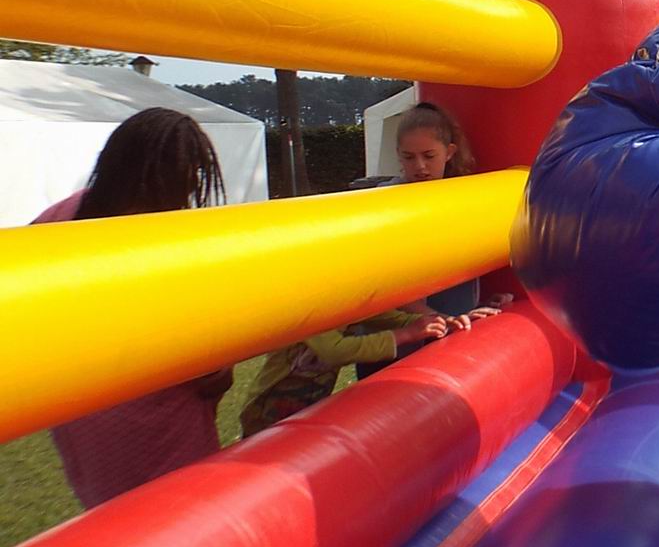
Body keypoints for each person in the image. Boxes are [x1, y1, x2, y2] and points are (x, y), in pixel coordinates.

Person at [37, 108, 233, 507]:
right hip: (152, 414)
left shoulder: (62, 219)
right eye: (188, 173)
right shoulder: (164, 237)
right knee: (177, 514)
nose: (192, 186)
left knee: (121, 520)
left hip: (84, 405)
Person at [354, 101, 507, 380]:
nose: (420, 166)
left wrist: (475, 306)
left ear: (449, 152)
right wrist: (442, 319)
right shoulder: (387, 201)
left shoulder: (462, 196)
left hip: (443, 336)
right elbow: (388, 285)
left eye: (429, 156)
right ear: (398, 156)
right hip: (393, 348)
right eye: (409, 157)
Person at [238, 309, 454, 436]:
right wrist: (405, 334)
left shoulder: (347, 303)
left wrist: (437, 321)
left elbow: (387, 316)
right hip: (266, 408)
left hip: (309, 405)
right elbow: (335, 350)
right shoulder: (310, 308)